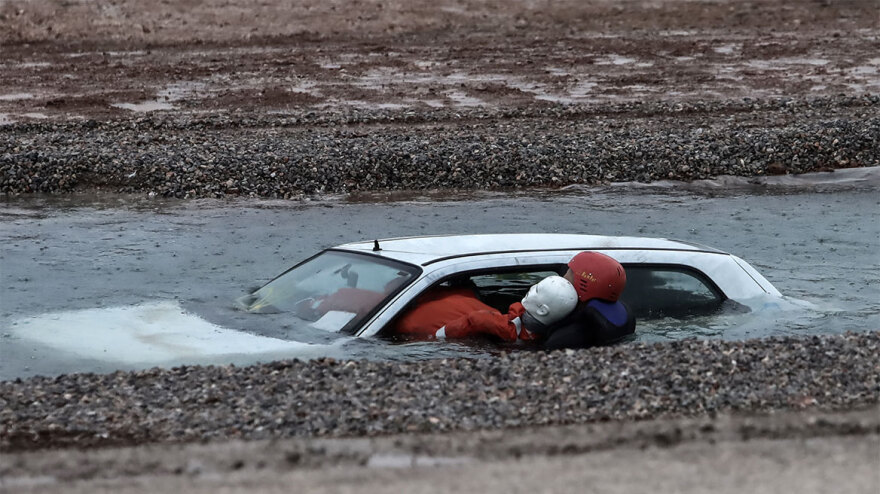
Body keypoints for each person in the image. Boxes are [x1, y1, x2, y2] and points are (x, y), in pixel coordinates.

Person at [393, 275, 578, 342]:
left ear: (544, 310)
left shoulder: (509, 328)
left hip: (425, 321)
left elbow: (477, 320)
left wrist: (438, 338)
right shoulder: (546, 333)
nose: (530, 289)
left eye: (536, 289)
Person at [541, 251, 636, 349]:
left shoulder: (565, 338)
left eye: (567, 278)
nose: (563, 278)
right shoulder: (626, 314)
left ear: (583, 285)